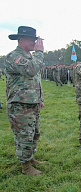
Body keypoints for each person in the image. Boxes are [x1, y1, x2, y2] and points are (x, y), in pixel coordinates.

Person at [5, 26, 46, 175]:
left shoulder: (30, 58)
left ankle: (30, 158)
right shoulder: (13, 57)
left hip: (32, 103)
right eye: (31, 40)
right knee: (24, 136)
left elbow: (36, 80)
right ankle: (26, 167)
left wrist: (39, 99)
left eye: (35, 40)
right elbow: (31, 70)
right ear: (21, 40)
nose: (35, 43)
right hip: (20, 105)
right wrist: (40, 53)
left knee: (34, 133)